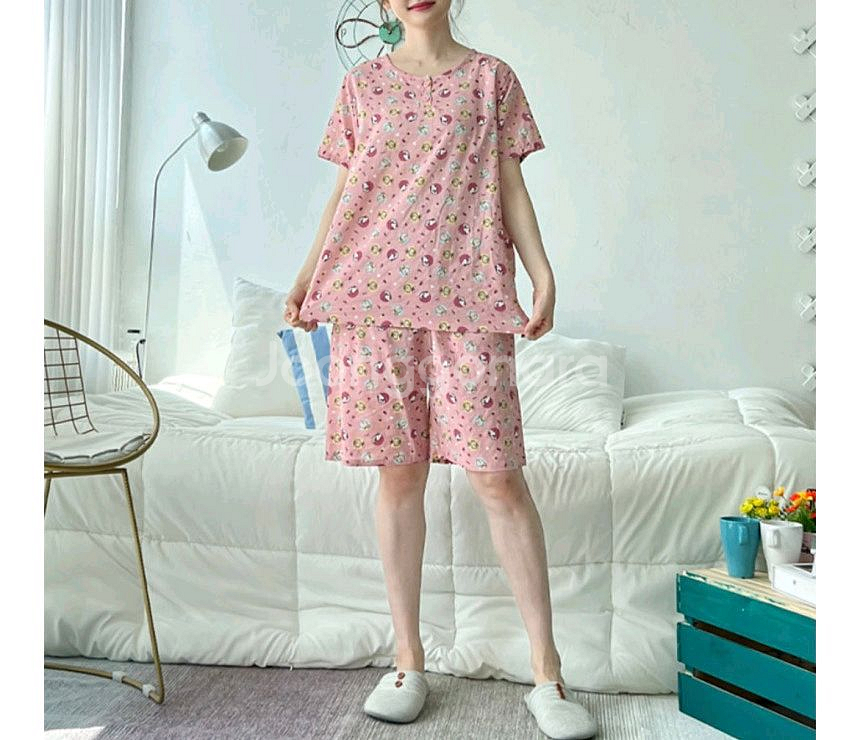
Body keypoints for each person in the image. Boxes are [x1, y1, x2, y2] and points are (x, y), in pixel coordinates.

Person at [284, 1, 597, 738]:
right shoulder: (362, 85)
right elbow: (347, 192)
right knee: (400, 477)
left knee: (498, 479)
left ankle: (547, 674)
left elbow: (510, 184)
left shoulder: (492, 80)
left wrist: (542, 272)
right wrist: (305, 279)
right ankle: (407, 661)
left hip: (471, 297)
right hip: (371, 302)